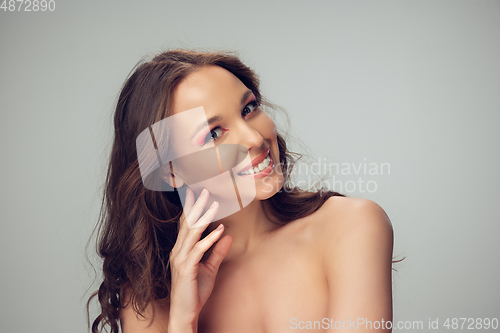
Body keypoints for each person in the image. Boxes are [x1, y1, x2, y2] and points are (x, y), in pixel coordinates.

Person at [87, 49, 394, 333]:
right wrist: (183, 319)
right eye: (214, 133)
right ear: (171, 171)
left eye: (248, 109)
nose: (254, 138)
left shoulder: (351, 227)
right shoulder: (147, 295)